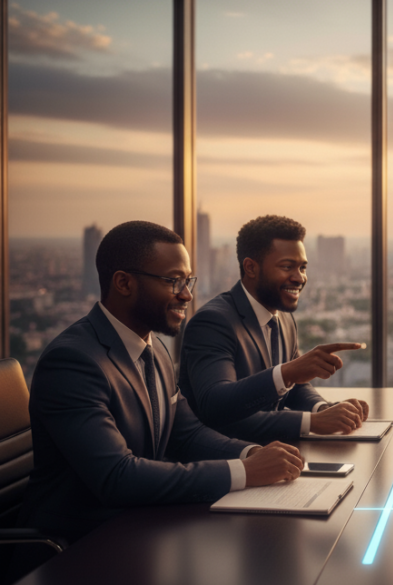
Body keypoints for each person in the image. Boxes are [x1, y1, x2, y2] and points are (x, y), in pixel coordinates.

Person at [17, 221, 304, 546]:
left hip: (141, 525)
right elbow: (117, 477)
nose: (187, 294)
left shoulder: (155, 351)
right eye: (173, 281)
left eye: (188, 280)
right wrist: (244, 473)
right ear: (124, 283)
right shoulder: (72, 361)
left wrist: (252, 453)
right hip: (77, 546)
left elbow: (186, 434)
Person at [179, 215, 368, 444]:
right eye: (287, 267)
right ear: (250, 267)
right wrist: (310, 422)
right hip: (226, 463)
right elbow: (217, 407)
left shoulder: (284, 318)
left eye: (303, 267)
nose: (299, 278)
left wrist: (322, 410)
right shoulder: (212, 322)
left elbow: (294, 387)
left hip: (276, 454)